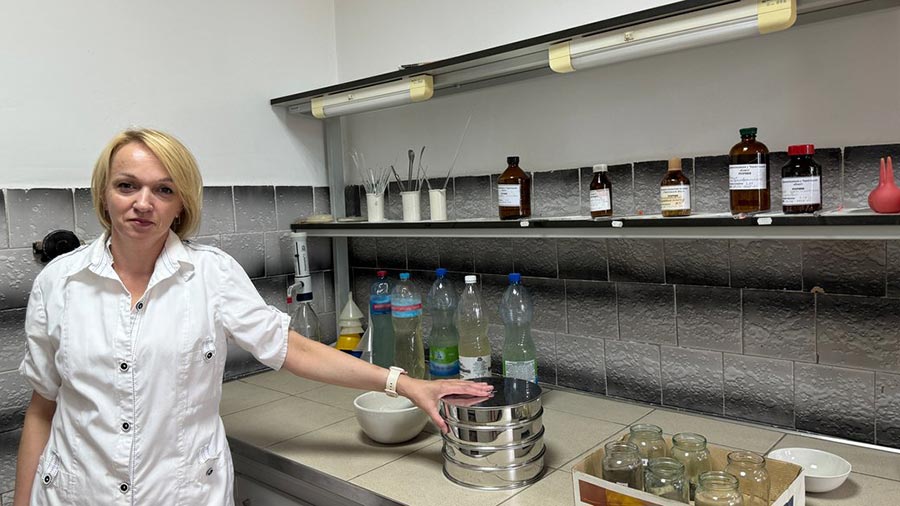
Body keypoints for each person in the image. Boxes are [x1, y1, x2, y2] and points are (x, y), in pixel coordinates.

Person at [14, 128, 493, 505]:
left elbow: (292, 348)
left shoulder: (211, 275)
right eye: (127, 186)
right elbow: (42, 409)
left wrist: (404, 383)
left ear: (181, 204)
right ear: (104, 194)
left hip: (185, 495)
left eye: (163, 189)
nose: (143, 202)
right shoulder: (59, 283)